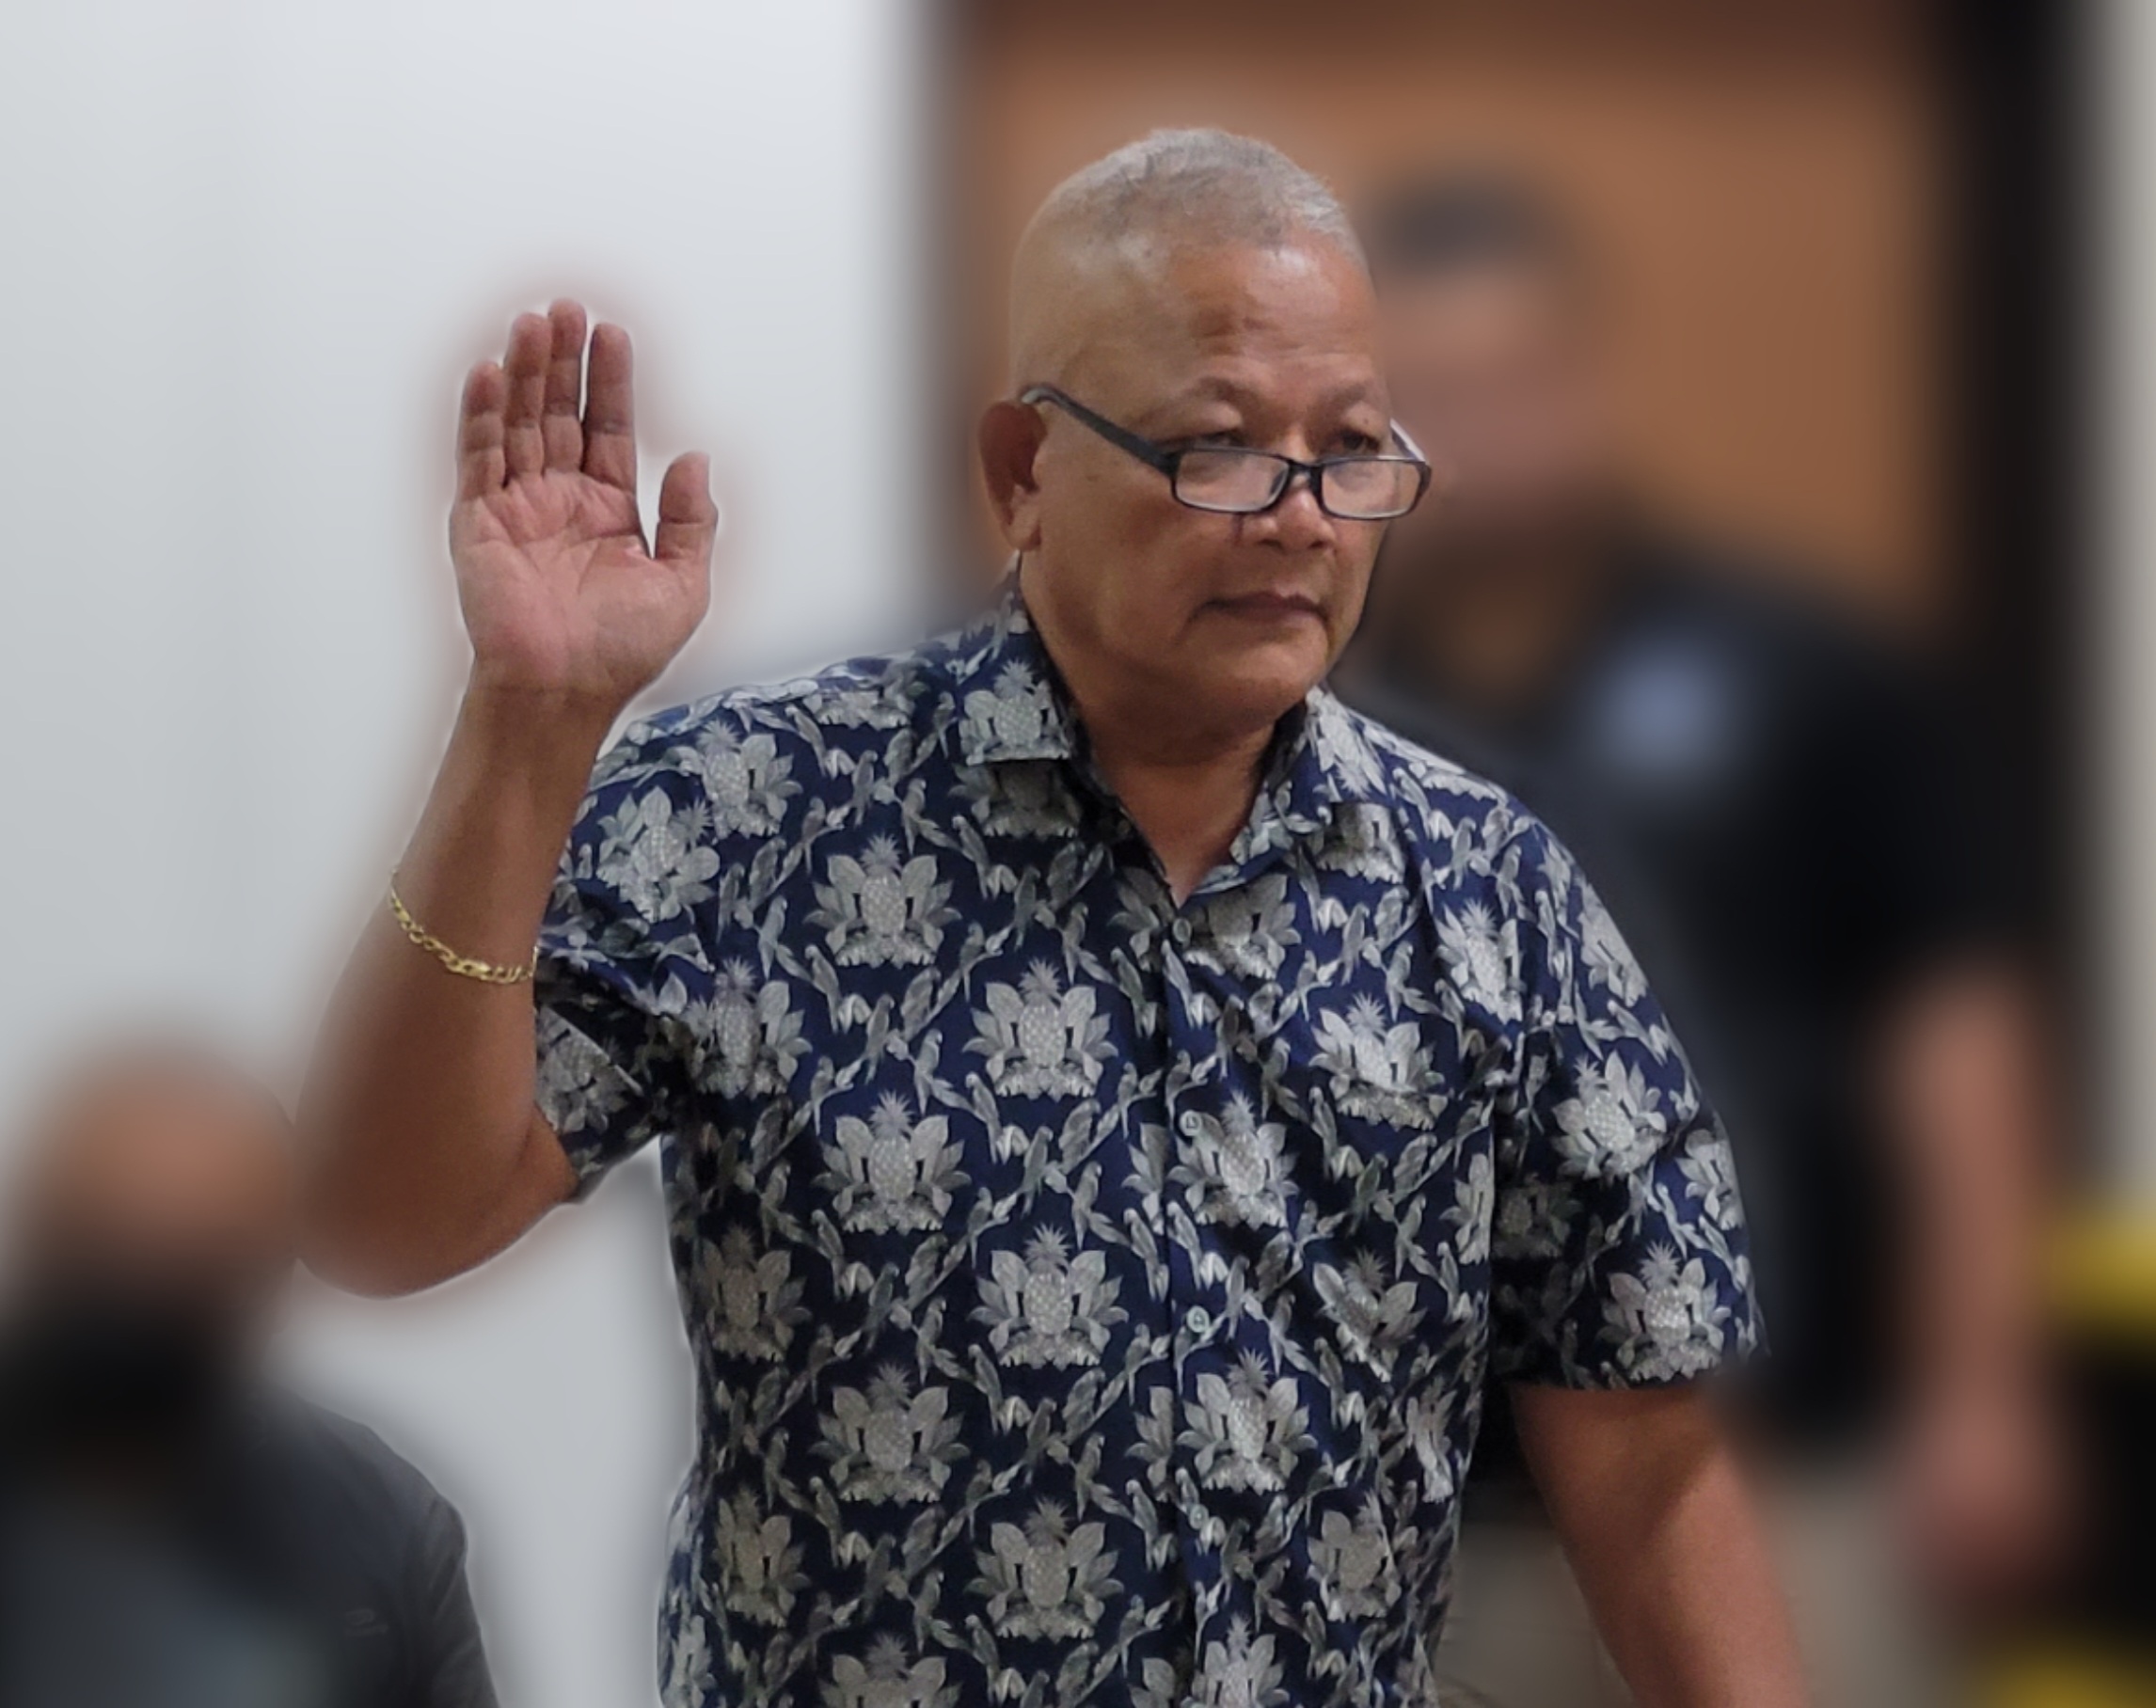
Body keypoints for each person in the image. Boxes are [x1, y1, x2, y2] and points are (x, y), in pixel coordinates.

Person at [302, 129, 1806, 1707]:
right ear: (1022, 470)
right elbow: (377, 1225)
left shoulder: (1488, 891)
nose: (1300, 517)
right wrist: (530, 727)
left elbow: (1649, 1469)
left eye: (1352, 450)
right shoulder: (750, 814)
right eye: (1220, 447)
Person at [1338, 171, 2064, 1702]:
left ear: (1589, 375)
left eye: (1518, 377)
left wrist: (1983, 1389)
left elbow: (1950, 1033)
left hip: (1790, 1481)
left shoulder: (1808, 674)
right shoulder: (1318, 721)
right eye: (1435, 397)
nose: (1485, 432)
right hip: (1435, 1520)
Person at [0, 1040, 497, 1708]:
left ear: (280, 1288)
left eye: (202, 1278)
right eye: (98, 1250)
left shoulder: (387, 1524)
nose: (137, 1317)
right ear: (26, 1232)